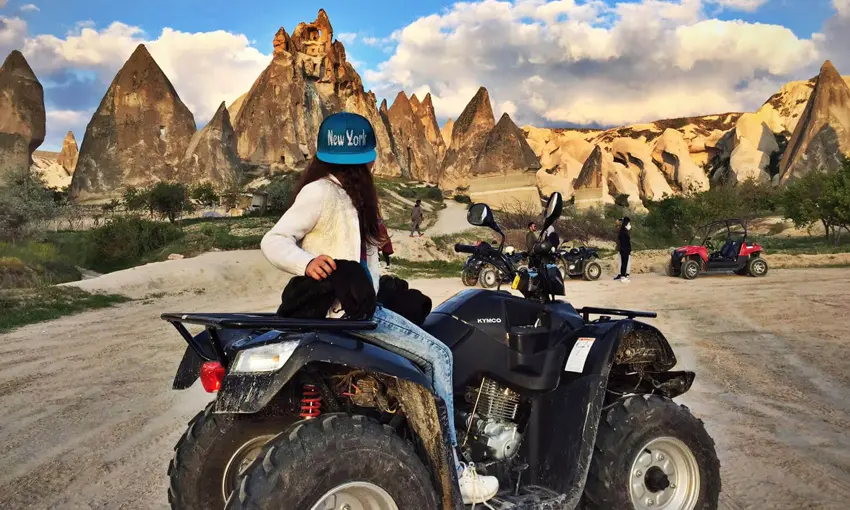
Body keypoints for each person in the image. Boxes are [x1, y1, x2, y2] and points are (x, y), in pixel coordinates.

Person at [259, 112, 499, 504]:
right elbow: (274, 239)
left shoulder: (347, 195)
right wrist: (306, 263)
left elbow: (354, 251)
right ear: (357, 160)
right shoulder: (321, 192)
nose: (372, 164)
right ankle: (455, 472)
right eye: (368, 158)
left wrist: (376, 243)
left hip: (356, 305)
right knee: (439, 356)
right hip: (351, 315)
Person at [615, 216, 632, 282]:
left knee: (624, 262)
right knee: (624, 262)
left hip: (623, 248)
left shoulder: (624, 230)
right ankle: (623, 275)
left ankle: (624, 275)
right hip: (624, 248)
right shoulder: (624, 231)